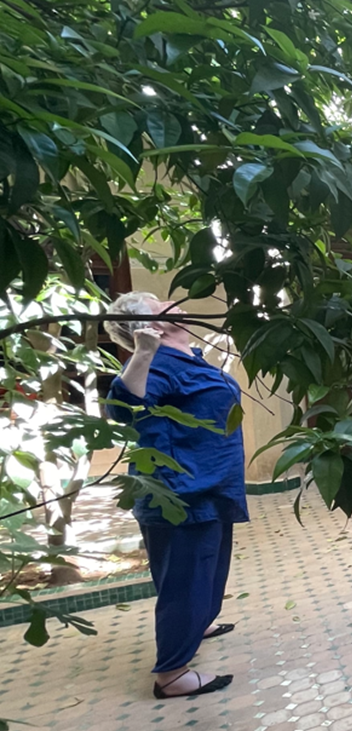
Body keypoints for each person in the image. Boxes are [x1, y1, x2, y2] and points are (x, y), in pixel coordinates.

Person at [104, 292, 249, 698]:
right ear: (147, 327)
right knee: (185, 579)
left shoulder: (186, 356)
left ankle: (198, 622)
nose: (173, 304)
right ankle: (172, 675)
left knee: (207, 570)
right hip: (181, 493)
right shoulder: (156, 363)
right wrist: (144, 350)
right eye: (160, 305)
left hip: (210, 485)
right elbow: (122, 405)